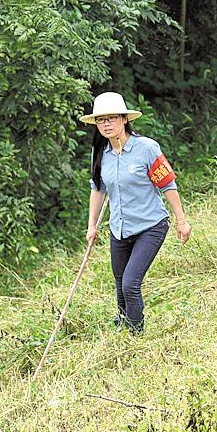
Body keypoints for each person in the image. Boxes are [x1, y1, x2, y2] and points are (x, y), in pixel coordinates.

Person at [82, 92, 191, 335]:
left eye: (112, 118)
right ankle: (124, 325)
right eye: (101, 120)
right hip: (119, 229)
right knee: (120, 284)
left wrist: (181, 221)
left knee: (130, 284)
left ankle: (136, 334)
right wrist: (92, 226)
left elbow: (168, 184)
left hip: (150, 225)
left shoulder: (146, 148)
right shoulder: (101, 153)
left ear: (124, 119)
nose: (106, 124)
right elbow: (97, 190)